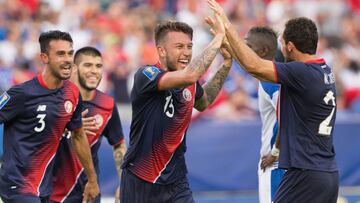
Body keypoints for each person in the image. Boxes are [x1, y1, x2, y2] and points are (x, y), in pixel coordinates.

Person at [207, 1, 339, 202]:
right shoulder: (324, 70)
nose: (280, 45)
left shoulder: (300, 73)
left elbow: (254, 66)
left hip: (304, 172)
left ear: (290, 46)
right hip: (328, 172)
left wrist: (227, 27)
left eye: (282, 40)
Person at [120, 19, 232, 202]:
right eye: (179, 46)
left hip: (176, 180)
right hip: (141, 178)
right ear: (162, 50)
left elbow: (203, 103)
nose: (186, 53)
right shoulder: (146, 75)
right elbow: (191, 74)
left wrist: (226, 64)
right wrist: (219, 37)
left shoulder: (189, 81)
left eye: (189, 46)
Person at [0, 30, 99, 203]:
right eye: (60, 54)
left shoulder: (72, 93)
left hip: (44, 188)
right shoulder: (21, 93)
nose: (68, 59)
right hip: (17, 185)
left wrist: (92, 179)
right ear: (44, 58)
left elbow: (78, 135)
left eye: (70, 53)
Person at [50, 47, 127, 203]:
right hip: (52, 194)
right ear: (74, 68)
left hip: (89, 193)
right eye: (88, 65)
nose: (94, 71)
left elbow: (118, 145)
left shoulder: (107, 104)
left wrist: (125, 183)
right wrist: (69, 128)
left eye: (98, 66)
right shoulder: (55, 99)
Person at [242, 26, 286, 203]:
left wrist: (275, 152)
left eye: (248, 46)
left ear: (264, 51)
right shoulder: (280, 77)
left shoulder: (270, 80)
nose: (244, 51)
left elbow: (288, 114)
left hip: (276, 165)